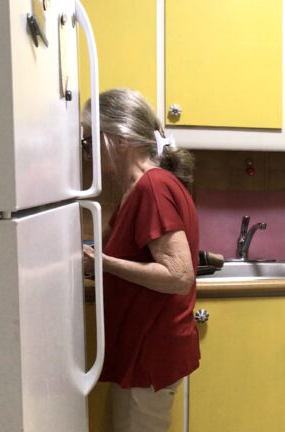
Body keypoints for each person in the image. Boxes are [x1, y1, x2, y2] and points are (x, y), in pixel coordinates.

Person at [81, 88, 200, 432]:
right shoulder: (140, 188)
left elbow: (178, 275)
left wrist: (103, 263)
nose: (87, 152)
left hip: (150, 349)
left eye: (91, 141)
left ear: (118, 139)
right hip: (143, 345)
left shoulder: (153, 187)